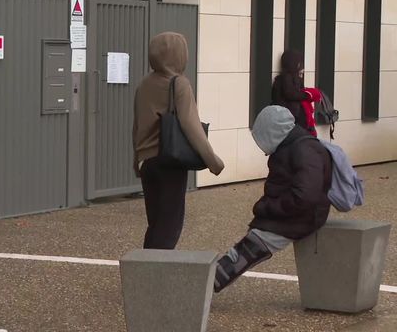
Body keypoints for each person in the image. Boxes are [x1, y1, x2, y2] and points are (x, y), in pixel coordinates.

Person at [214, 105, 332, 293]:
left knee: (246, 252)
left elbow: (305, 196)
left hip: (299, 217)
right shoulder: (292, 145)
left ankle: (202, 286)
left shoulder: (304, 149)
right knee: (244, 250)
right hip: (291, 213)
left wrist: (269, 208)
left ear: (273, 132)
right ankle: (205, 283)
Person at [132, 32, 225, 250]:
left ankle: (143, 276)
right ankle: (156, 279)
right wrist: (213, 161)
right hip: (169, 162)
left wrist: (135, 160)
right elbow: (190, 125)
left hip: (147, 163)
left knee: (155, 224)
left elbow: (136, 126)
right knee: (169, 226)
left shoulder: (143, 84)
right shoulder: (179, 83)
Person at [272, 50, 310, 129]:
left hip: (290, 116)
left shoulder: (290, 77)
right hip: (289, 117)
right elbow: (290, 94)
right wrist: (308, 95)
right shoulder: (287, 77)